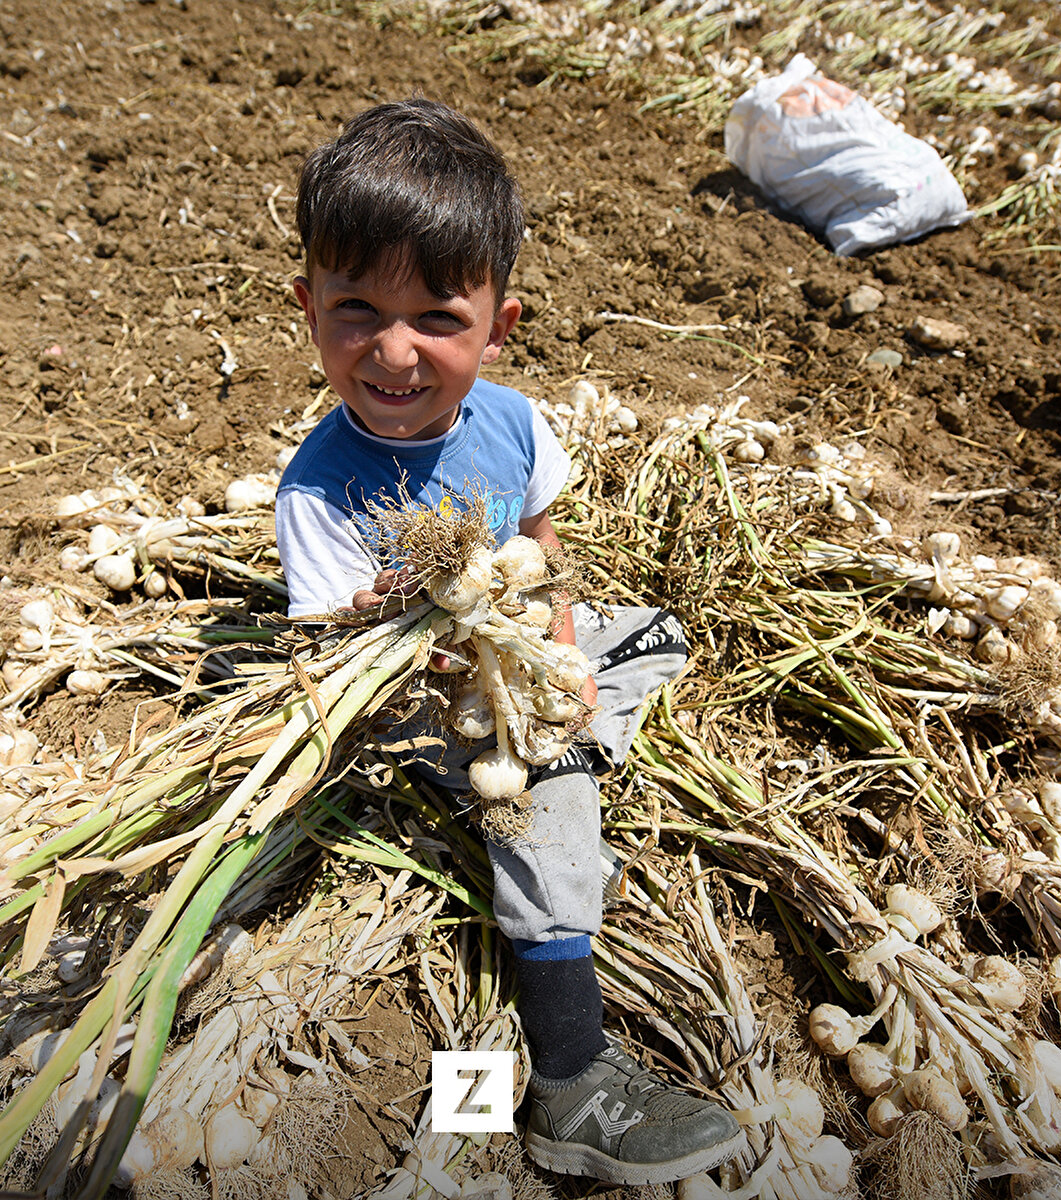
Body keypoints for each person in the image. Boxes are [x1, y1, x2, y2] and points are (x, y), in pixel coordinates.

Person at [275, 96, 743, 1188]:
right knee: (544, 795)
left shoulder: (517, 422)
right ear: (308, 307)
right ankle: (572, 1080)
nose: (394, 351)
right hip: (424, 696)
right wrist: (399, 616)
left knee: (653, 635)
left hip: (519, 650)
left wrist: (564, 652)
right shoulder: (319, 491)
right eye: (356, 308)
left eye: (438, 318)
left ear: (499, 326)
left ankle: (580, 729)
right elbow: (334, 659)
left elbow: (541, 546)